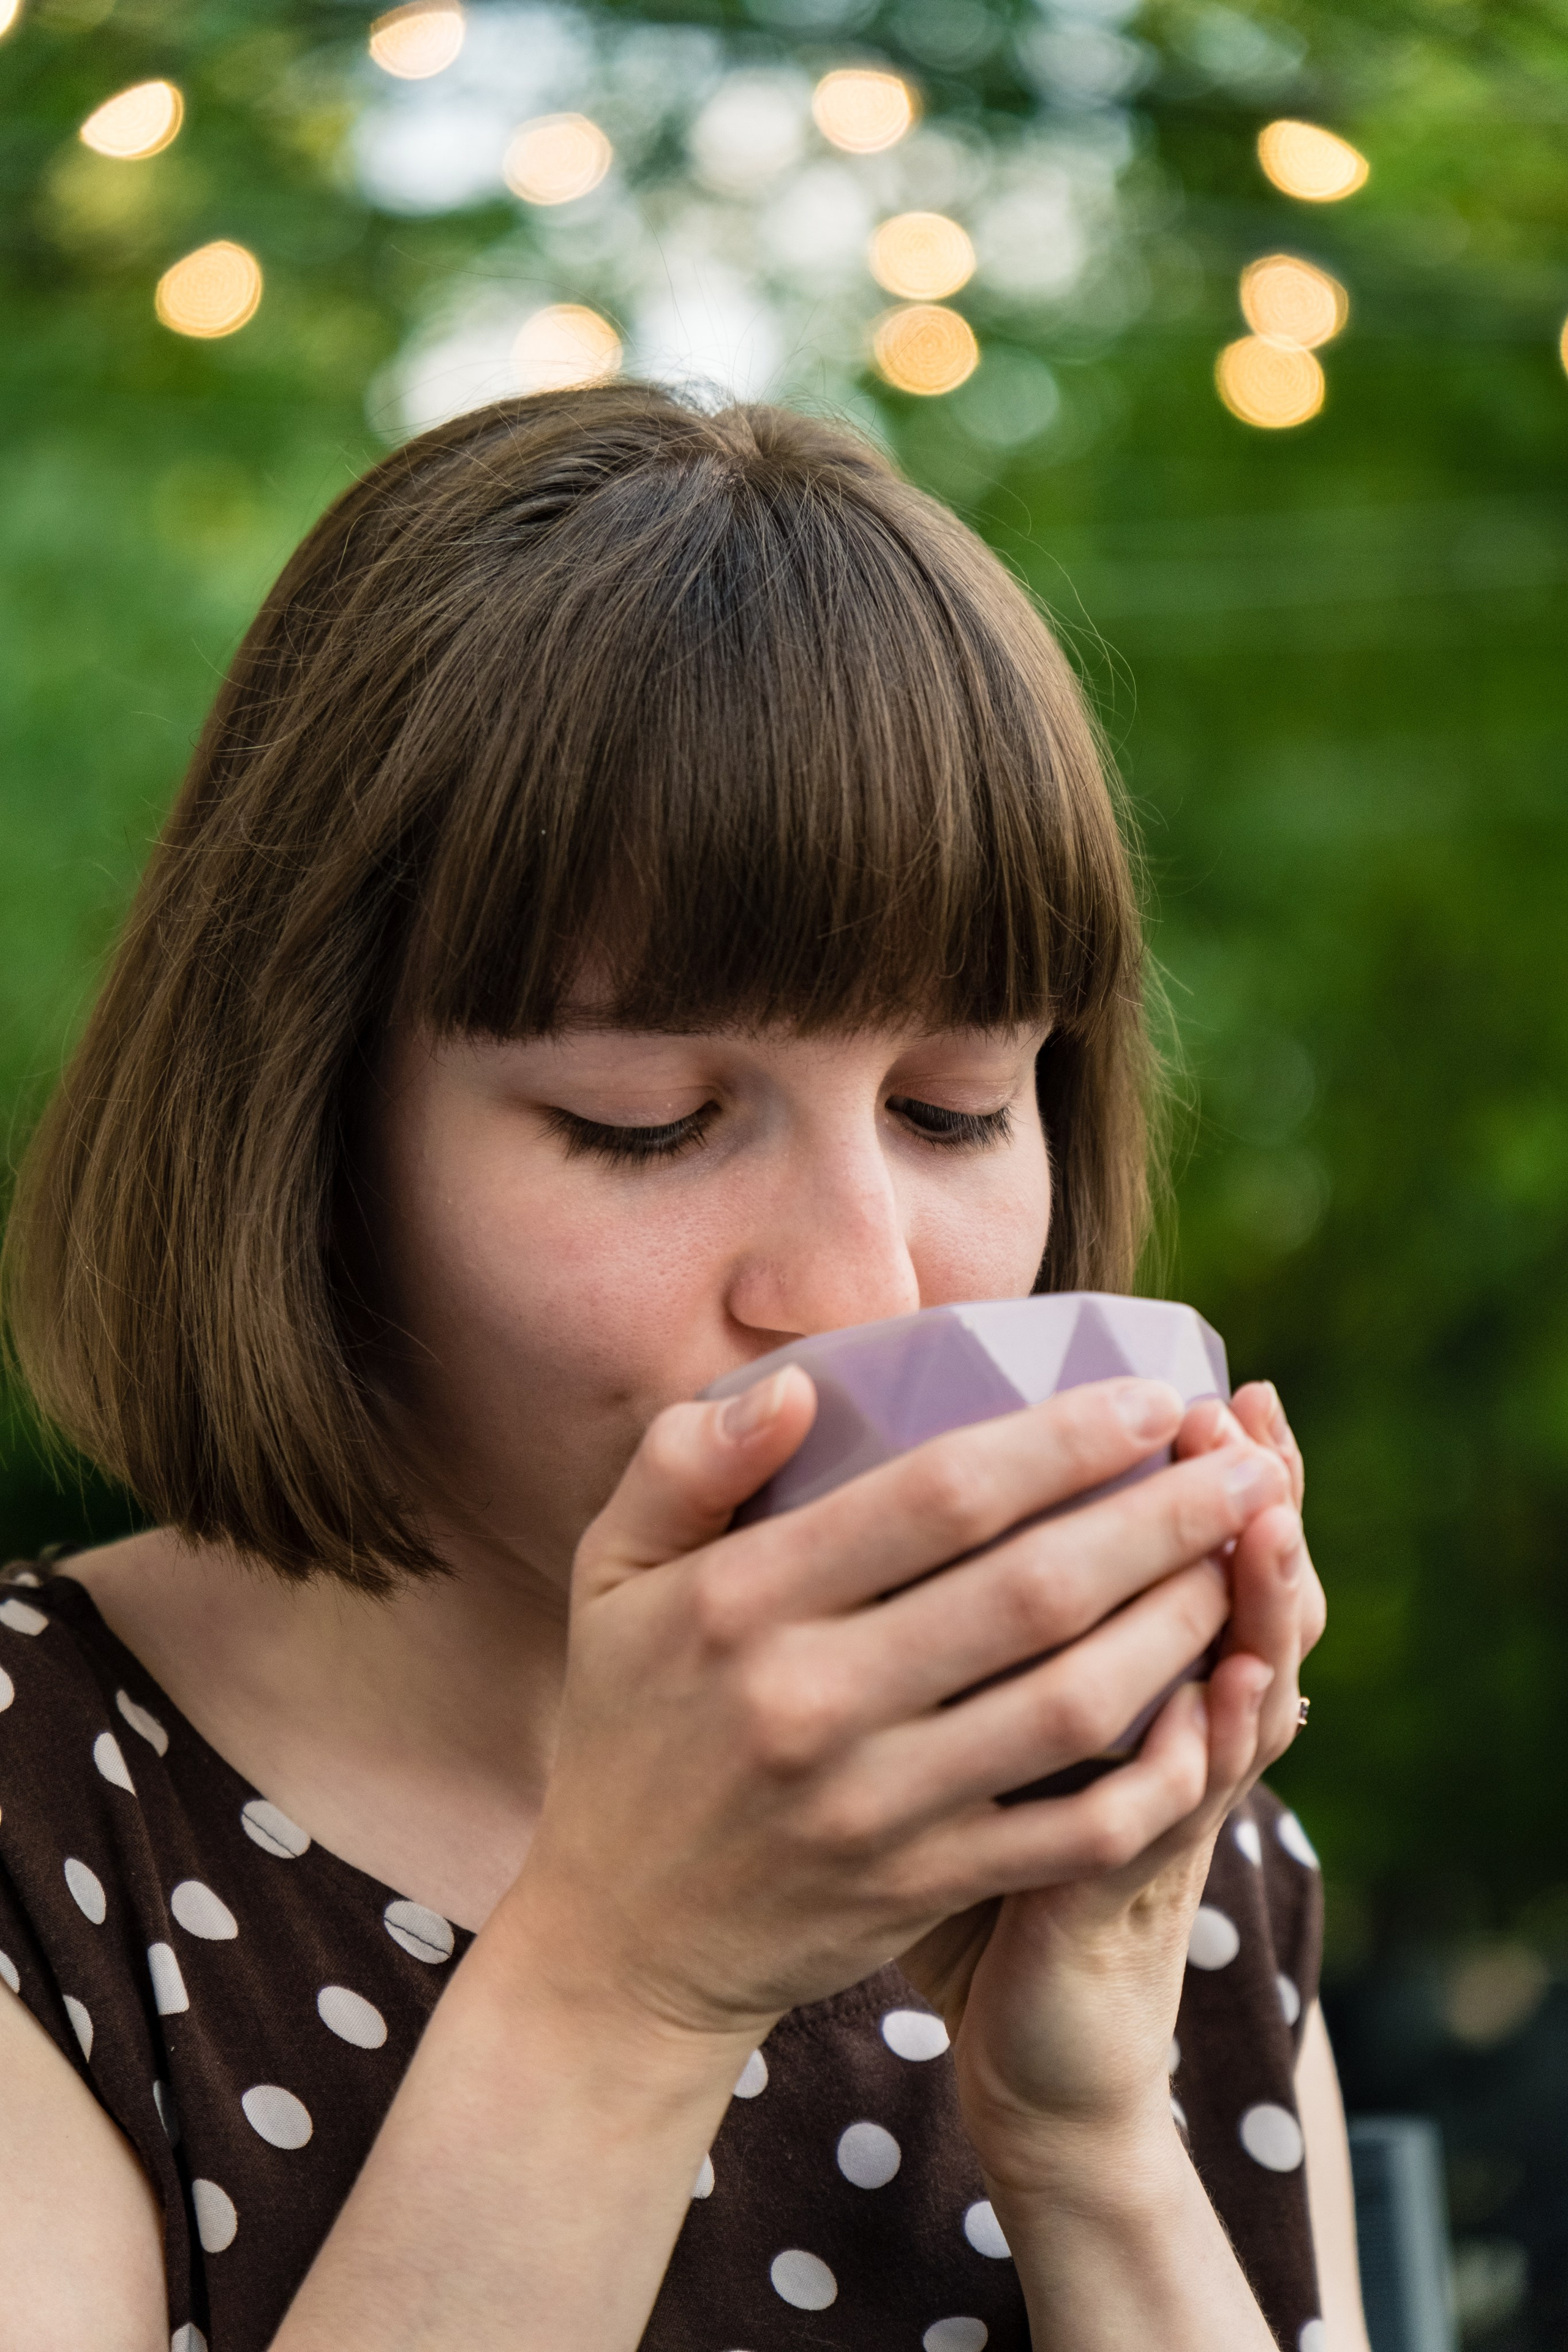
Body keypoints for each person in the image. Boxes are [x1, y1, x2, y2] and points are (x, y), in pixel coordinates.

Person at [0, 385, 1365, 2351]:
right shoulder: (52, 1838)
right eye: (647, 1121)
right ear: (306, 1133)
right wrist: (622, 1984)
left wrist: (1090, 2140)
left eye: (958, 1106)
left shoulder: (1154, 1855)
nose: (863, 1286)